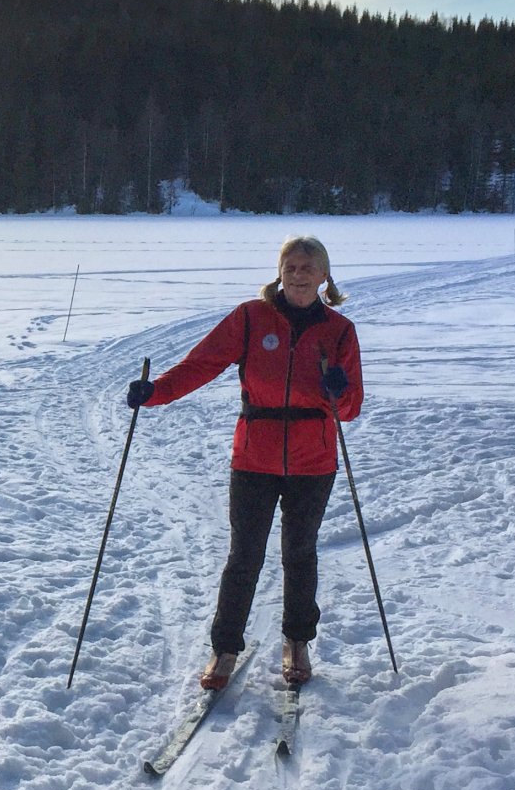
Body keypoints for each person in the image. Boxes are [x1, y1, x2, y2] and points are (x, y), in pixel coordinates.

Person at [125, 236, 362, 690]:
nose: (298, 274)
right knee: (244, 556)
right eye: (290, 266)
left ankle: (297, 641)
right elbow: (202, 364)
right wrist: (156, 393)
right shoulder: (250, 319)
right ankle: (225, 647)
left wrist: (340, 389)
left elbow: (350, 409)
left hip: (314, 459)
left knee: (300, 553)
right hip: (254, 455)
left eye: (308, 267)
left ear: (324, 276)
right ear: (279, 272)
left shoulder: (339, 331)